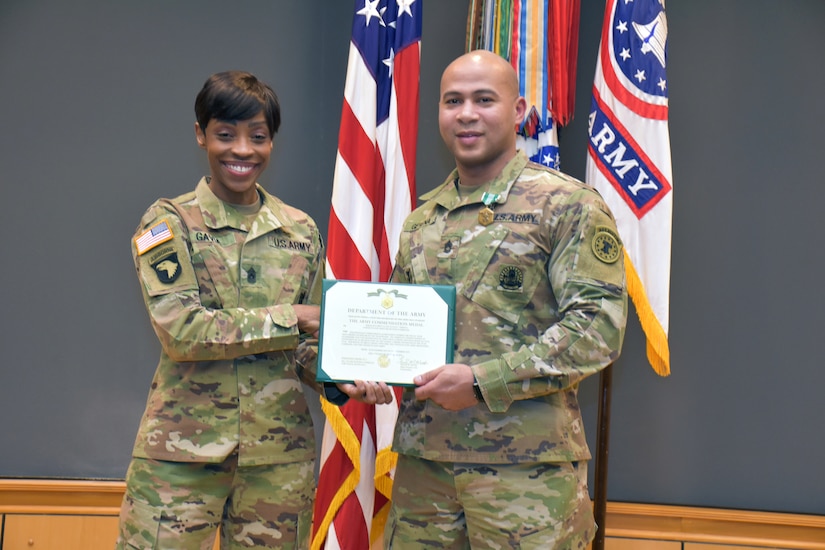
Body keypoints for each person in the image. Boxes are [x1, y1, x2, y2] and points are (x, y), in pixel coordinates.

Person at [365, 50, 629, 548]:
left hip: (526, 477)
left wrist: (484, 382)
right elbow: (394, 329)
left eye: (484, 99)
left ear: (518, 109)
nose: (466, 113)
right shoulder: (423, 221)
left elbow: (598, 328)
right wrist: (364, 370)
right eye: (453, 101)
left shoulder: (567, 204)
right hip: (426, 474)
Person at [116, 70, 339, 549]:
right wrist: (292, 317)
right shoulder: (166, 222)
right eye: (225, 134)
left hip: (278, 461)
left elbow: (305, 349)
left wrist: (341, 375)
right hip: (182, 457)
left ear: (271, 142)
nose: (242, 150)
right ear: (201, 135)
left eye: (258, 136)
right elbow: (182, 331)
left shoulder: (300, 230)